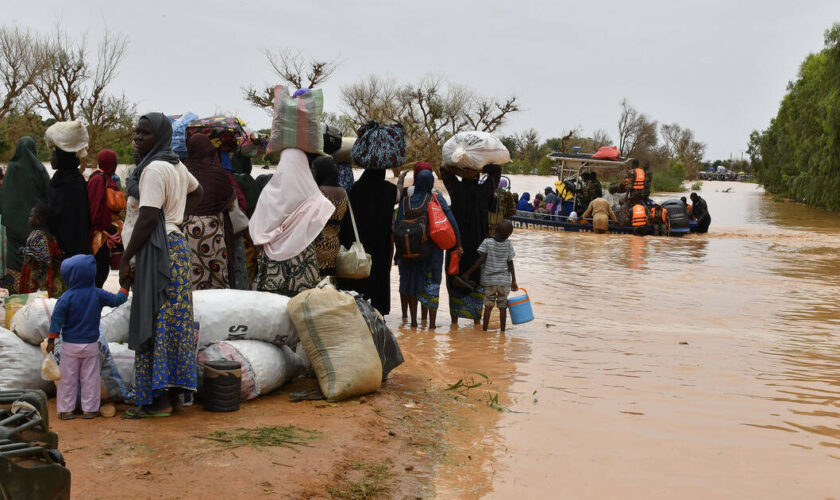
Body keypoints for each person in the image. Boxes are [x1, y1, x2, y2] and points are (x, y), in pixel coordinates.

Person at [120, 112, 204, 418]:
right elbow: (198, 191)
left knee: (155, 319)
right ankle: (170, 395)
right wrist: (177, 217)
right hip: (177, 248)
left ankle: (156, 401)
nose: (138, 138)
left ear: (161, 137)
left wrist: (127, 257)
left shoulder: (154, 169)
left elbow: (146, 219)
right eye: (137, 133)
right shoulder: (175, 164)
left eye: (145, 133)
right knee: (172, 322)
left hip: (157, 251)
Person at [46, 254, 128, 420]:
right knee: (90, 379)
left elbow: (56, 320)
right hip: (91, 345)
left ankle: (66, 410)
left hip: (70, 346)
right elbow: (118, 300)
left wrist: (51, 340)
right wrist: (126, 284)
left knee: (67, 379)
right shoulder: (97, 294)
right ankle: (89, 410)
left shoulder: (66, 298)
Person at [250, 148, 334, 297]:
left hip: (271, 264)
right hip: (302, 261)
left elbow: (256, 229)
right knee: (300, 309)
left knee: (272, 309)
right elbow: (319, 232)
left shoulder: (268, 194)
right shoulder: (313, 197)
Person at [395, 170, 461, 328]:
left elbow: (397, 226)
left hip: (408, 252)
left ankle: (412, 322)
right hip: (431, 252)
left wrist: (398, 253)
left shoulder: (406, 201)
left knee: (410, 286)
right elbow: (450, 220)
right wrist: (457, 243)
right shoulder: (436, 199)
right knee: (431, 285)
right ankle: (431, 324)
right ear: (431, 183)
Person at [441, 164, 499, 325]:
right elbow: (497, 170)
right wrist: (476, 171)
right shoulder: (485, 191)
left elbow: (443, 169)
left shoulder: (455, 189)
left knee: (454, 276)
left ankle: (454, 321)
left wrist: (462, 172)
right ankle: (476, 321)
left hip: (457, 244)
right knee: (477, 279)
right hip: (479, 245)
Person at [338, 168, 398, 316]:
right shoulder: (390, 189)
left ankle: (358, 310)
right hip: (381, 242)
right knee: (380, 275)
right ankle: (379, 312)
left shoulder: (355, 188)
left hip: (360, 242)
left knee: (359, 276)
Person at [183, 134, 236, 290]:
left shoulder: (183, 171)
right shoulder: (219, 174)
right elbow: (230, 204)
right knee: (217, 278)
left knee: (190, 276)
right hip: (213, 233)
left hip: (186, 230)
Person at [0, 137, 50, 292]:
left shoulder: (11, 169)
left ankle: (14, 294)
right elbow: (49, 194)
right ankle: (34, 295)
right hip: (34, 227)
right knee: (35, 260)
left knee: (15, 260)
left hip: (13, 226)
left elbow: (4, 197)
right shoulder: (39, 169)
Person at [45, 121, 92, 258]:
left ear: (62, 158)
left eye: (54, 155)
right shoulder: (63, 178)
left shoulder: (70, 182)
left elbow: (67, 218)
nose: (51, 159)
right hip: (62, 244)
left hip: (69, 246)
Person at [461, 220, 517, 333]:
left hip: (489, 281)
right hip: (504, 281)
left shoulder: (487, 242)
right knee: (502, 307)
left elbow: (481, 259)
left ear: (495, 230)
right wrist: (514, 281)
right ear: (509, 234)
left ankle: (484, 330)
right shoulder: (508, 244)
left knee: (488, 306)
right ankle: (502, 331)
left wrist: (468, 272)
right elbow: (510, 263)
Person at [87, 150, 124, 287]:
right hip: (100, 233)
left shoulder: (107, 179)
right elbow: (95, 208)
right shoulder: (98, 179)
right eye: (114, 161)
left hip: (106, 231)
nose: (116, 164)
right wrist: (108, 227)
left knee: (103, 270)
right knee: (99, 270)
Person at [311, 157, 348, 277]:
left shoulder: (318, 193)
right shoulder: (343, 192)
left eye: (313, 170)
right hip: (334, 244)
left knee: (316, 282)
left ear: (320, 172)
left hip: (318, 244)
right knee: (329, 281)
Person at [19, 204, 64, 296]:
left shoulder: (37, 235)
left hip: (35, 279)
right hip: (46, 277)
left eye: (31, 216)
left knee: (32, 301)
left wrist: (23, 250)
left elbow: (40, 255)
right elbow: (56, 256)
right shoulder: (51, 236)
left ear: (39, 219)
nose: (29, 218)